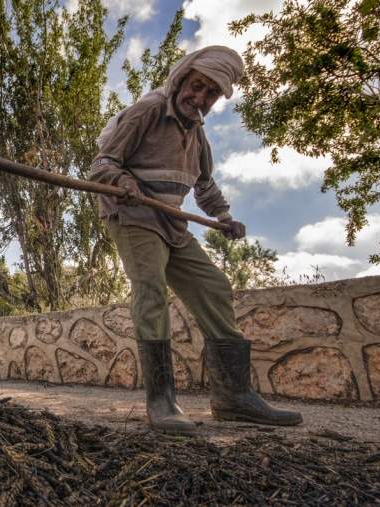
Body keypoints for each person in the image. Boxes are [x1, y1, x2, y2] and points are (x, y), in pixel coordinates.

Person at [89, 45, 302, 434]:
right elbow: (101, 164)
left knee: (215, 286)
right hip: (134, 215)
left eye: (210, 94)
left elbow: (204, 186)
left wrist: (224, 218)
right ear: (182, 78)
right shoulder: (148, 111)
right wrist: (123, 182)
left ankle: (233, 398)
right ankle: (162, 401)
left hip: (172, 222)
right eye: (196, 86)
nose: (199, 98)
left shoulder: (198, 135)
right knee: (151, 289)